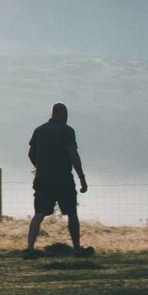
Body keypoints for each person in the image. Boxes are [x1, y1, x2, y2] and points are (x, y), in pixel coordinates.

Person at [24, 102, 91, 256]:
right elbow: (73, 154)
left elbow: (30, 154)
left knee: (39, 213)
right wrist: (81, 177)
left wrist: (39, 166)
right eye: (66, 115)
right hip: (63, 179)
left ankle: (30, 248)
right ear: (62, 115)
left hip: (43, 179)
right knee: (72, 213)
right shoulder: (67, 131)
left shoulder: (39, 130)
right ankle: (76, 248)